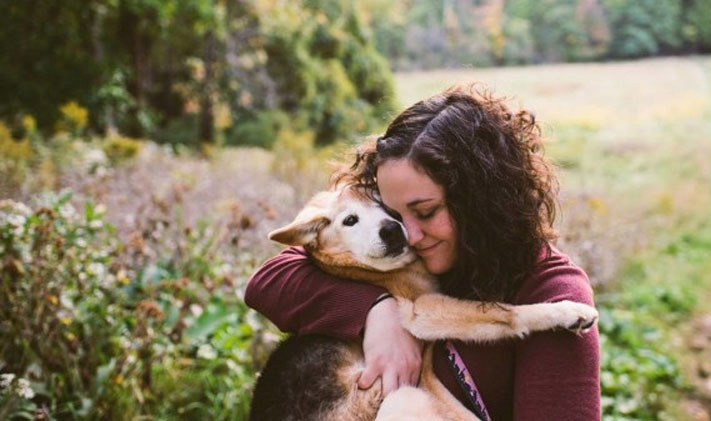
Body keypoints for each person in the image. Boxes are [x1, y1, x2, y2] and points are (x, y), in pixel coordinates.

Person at [245, 85, 600, 420]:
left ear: (481, 202)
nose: (409, 236)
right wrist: (376, 312)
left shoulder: (556, 295)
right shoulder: (400, 261)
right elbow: (268, 281)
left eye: (426, 212)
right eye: (393, 215)